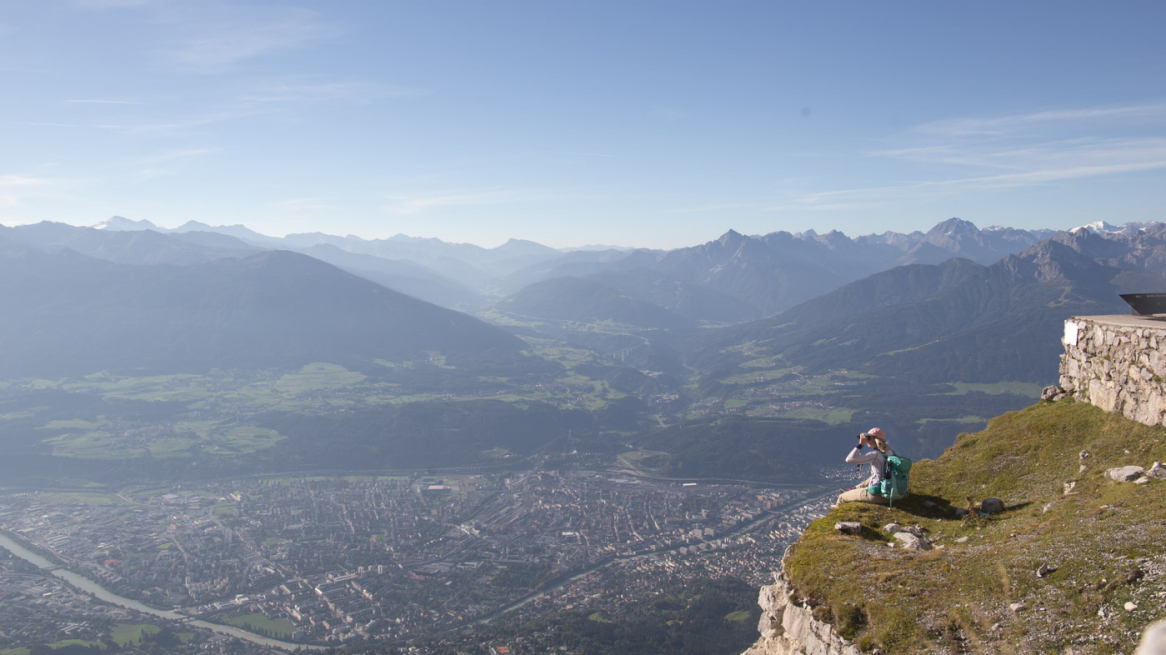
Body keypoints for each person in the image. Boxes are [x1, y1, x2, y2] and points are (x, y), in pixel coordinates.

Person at [835, 427, 896, 506]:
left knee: (841, 497)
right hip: (892, 493)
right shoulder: (890, 452)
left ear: (875, 439)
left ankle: (837, 512)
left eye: (869, 438)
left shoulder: (875, 454)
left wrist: (860, 444)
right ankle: (853, 489)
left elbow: (849, 459)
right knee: (872, 478)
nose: (867, 440)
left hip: (877, 494)